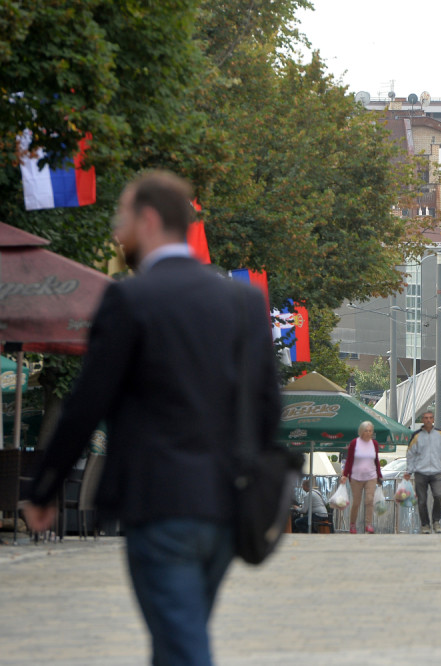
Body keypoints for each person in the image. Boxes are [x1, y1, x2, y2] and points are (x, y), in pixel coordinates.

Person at [23, 171, 281, 665]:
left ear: (149, 219)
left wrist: (44, 487)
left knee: (181, 643)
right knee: (177, 635)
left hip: (159, 504)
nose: (118, 233)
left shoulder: (129, 299)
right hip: (228, 507)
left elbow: (87, 402)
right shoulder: (244, 302)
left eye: (122, 218)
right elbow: (268, 406)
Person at [404, 410, 441, 534]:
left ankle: (436, 521)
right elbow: (410, 455)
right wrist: (409, 471)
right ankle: (425, 524)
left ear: (433, 419)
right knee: (422, 500)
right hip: (421, 472)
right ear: (422, 420)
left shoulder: (440, 435)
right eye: (426, 418)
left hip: (436, 472)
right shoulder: (417, 436)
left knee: (438, 496)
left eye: (431, 418)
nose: (428, 420)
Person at [341, 421, 383, 534]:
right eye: (366, 431)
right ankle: (352, 524)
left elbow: (376, 460)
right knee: (356, 502)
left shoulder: (374, 444)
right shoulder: (355, 443)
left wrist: (379, 475)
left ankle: (368, 524)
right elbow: (349, 460)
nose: (368, 433)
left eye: (370, 431)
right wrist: (345, 474)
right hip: (356, 477)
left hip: (371, 476)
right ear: (361, 431)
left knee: (369, 500)